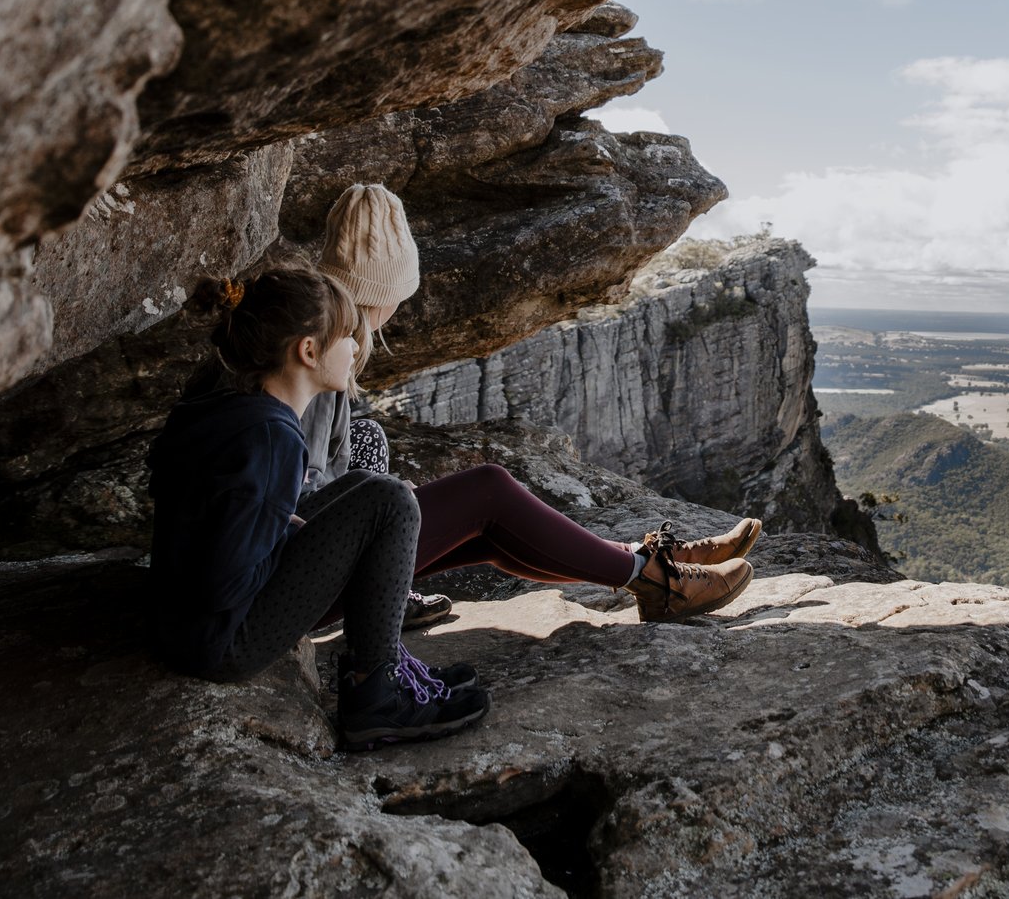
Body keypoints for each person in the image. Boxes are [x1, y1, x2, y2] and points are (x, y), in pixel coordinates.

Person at [148, 265, 758, 752]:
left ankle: (643, 570)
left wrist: (298, 525)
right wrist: (310, 540)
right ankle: (376, 698)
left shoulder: (236, 411)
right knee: (402, 498)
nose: (357, 346)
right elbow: (226, 583)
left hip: (198, 625)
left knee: (392, 496)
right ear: (308, 351)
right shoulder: (273, 434)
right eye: (346, 336)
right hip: (224, 640)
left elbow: (221, 523)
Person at [305, 183, 761, 623]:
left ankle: (642, 560)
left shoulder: (328, 343)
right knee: (487, 490)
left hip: (325, 562)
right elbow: (295, 511)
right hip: (300, 582)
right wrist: (388, 510)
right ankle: (656, 582)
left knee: (469, 515)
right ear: (383, 293)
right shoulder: (320, 364)